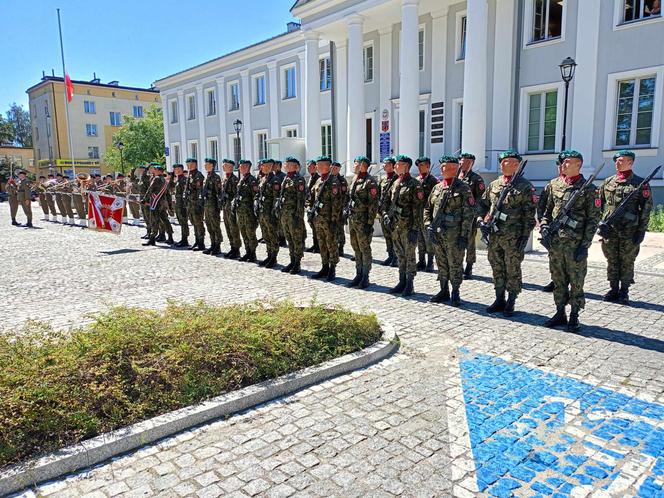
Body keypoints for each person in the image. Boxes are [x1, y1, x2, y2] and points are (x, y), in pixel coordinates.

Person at [540, 150, 601, 331]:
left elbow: (593, 220)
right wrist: (544, 226)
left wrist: (585, 245)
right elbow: (547, 211)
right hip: (556, 244)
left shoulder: (590, 189)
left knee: (576, 281)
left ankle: (574, 315)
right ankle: (560, 312)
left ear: (579, 165)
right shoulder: (554, 184)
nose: (564, 165)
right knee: (558, 279)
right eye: (563, 162)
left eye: (568, 162)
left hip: (575, 245)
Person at [478, 150, 536, 317]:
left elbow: (529, 215)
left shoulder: (525, 187)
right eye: (502, 161)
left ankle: (511, 299)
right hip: (494, 235)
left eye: (508, 161)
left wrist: (524, 237)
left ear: (517, 165)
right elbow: (482, 205)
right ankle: (499, 298)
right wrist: (482, 221)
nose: (503, 164)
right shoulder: (494, 185)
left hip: (513, 237)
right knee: (497, 267)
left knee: (512, 268)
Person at [598, 150, 654, 305]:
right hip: (610, 230)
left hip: (630, 230)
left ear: (631, 162)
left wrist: (641, 230)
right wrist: (600, 223)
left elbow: (646, 208)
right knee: (611, 259)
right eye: (616, 161)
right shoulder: (608, 182)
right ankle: (613, 288)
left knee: (627, 260)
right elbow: (598, 204)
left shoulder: (640, 183)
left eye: (621, 160)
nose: (617, 163)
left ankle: (624, 290)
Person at [424, 156, 474, 306]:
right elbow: (427, 209)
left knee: (455, 263)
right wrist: (427, 224)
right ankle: (443, 289)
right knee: (441, 262)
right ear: (441, 169)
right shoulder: (437, 188)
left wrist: (464, 236)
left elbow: (468, 214)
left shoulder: (463, 188)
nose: (450, 170)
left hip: (454, 235)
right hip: (437, 234)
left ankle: (455, 291)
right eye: (447, 167)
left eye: (453, 167)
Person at [384, 155, 425, 297]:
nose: (395, 166)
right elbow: (389, 202)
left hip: (408, 227)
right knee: (400, 255)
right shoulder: (396, 183)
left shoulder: (415, 184)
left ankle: (409, 284)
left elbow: (418, 210)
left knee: (409, 256)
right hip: (396, 226)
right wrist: (386, 215)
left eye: (398, 164)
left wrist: (415, 229)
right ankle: (401, 281)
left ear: (406, 166)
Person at [346, 156, 380, 289]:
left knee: (364, 249)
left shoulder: (369, 182)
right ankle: (358, 273)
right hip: (353, 220)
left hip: (363, 222)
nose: (354, 166)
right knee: (356, 248)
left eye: (356, 164)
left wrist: (369, 223)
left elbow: (373, 205)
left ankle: (365, 276)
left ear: (363, 165)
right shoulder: (355, 179)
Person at [309, 156, 344, 281]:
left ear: (327, 166)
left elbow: (337, 204)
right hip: (318, 219)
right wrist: (310, 211)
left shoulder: (333, 182)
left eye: (319, 165)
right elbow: (312, 199)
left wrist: (334, 220)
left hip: (329, 220)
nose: (317, 167)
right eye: (317, 165)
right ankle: (324, 266)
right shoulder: (319, 180)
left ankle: (332, 268)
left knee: (331, 244)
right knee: (322, 243)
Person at [537, 155, 565, 292]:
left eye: (563, 164)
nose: (561, 168)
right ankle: (555, 280)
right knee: (554, 257)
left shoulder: (581, 186)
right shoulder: (552, 185)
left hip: (571, 232)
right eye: (559, 165)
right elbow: (542, 206)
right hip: (553, 230)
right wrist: (543, 224)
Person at [458, 152, 486, 280]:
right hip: (457, 216)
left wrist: (478, 216)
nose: (463, 164)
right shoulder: (456, 177)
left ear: (471, 163)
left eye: (466, 162)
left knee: (469, 242)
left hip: (470, 216)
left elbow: (481, 199)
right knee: (457, 240)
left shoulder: (476, 179)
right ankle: (458, 265)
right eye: (461, 161)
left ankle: (469, 266)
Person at [278, 156, 307, 275]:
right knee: (289, 238)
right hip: (285, 215)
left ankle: (297, 263)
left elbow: (301, 200)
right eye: (286, 164)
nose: (286, 166)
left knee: (296, 239)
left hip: (294, 215)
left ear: (295, 166)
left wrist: (298, 216)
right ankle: (292, 260)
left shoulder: (298, 180)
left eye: (289, 164)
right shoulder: (286, 178)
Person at [255, 159, 281, 267]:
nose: (266, 168)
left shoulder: (274, 180)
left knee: (272, 235)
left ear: (271, 167)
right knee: (266, 234)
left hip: (269, 213)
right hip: (262, 212)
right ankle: (269, 254)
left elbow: (276, 198)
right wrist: (256, 202)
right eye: (264, 166)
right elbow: (258, 194)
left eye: (268, 166)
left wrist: (273, 213)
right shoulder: (262, 179)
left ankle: (274, 257)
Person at [415, 157, 439, 272]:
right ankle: (421, 261)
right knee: (419, 239)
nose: (420, 168)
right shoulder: (417, 180)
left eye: (422, 165)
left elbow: (435, 198)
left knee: (428, 239)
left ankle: (430, 262)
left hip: (427, 214)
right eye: (418, 166)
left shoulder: (433, 181)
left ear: (428, 166)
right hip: (417, 213)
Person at [141, 162, 173, 246]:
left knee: (154, 220)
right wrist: (169, 205)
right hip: (163, 202)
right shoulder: (165, 180)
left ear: (159, 171)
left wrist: (144, 199)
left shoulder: (156, 178)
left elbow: (150, 189)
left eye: (155, 169)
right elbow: (167, 193)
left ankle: (152, 239)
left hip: (155, 202)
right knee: (165, 220)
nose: (153, 171)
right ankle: (170, 237)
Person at [234, 159, 259, 262]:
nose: (241, 168)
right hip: (240, 212)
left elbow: (255, 196)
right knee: (243, 232)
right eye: (240, 167)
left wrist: (255, 212)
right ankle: (247, 251)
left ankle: (253, 254)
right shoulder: (241, 179)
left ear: (248, 168)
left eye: (244, 166)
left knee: (250, 233)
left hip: (248, 213)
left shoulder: (252, 181)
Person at [378, 157, 399, 266]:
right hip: (383, 211)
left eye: (386, 164)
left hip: (392, 212)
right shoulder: (383, 180)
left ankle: (396, 257)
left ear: (392, 165)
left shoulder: (396, 179)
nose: (383, 166)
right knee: (386, 235)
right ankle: (390, 255)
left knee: (393, 235)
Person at [220, 159, 241, 259]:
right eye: (223, 165)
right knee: (228, 228)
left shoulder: (234, 180)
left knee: (234, 228)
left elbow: (236, 195)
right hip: (225, 207)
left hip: (231, 208)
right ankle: (232, 247)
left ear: (231, 167)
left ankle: (236, 249)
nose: (223, 167)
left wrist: (228, 197)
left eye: (225, 165)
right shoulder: (225, 179)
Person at [202, 158, 223, 256]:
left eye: (207, 164)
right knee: (209, 225)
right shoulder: (207, 177)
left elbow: (219, 193)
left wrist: (218, 207)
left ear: (212, 166)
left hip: (213, 206)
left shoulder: (216, 177)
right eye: (205, 164)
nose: (205, 166)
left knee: (215, 226)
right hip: (207, 205)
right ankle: (213, 244)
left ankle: (217, 246)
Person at [185, 158, 206, 251]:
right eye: (188, 164)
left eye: (191, 164)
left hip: (196, 203)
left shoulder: (198, 175)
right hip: (190, 203)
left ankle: (201, 243)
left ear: (196, 165)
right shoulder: (190, 175)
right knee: (194, 222)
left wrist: (199, 203)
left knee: (198, 223)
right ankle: (197, 241)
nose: (189, 166)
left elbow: (200, 190)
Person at [331, 161, 349, 257]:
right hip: (330, 209)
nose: (334, 170)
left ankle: (341, 247)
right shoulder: (328, 179)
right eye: (333, 168)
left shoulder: (342, 180)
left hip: (339, 209)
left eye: (336, 168)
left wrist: (344, 208)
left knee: (340, 229)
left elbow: (345, 195)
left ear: (339, 169)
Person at [172, 164, 189, 247]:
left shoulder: (184, 180)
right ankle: (183, 238)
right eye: (175, 169)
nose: (177, 171)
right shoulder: (177, 180)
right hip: (178, 204)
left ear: (182, 170)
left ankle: (185, 239)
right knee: (180, 221)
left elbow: (185, 194)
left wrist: (184, 205)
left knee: (184, 222)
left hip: (182, 204)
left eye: (179, 169)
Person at [305, 159, 320, 253]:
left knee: (316, 227)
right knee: (313, 227)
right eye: (308, 167)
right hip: (309, 206)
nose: (309, 168)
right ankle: (315, 245)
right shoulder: (310, 177)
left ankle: (318, 246)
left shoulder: (318, 178)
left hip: (315, 206)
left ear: (315, 167)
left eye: (311, 167)